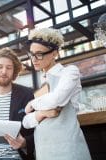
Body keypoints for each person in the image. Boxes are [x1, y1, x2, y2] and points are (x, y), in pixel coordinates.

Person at [0, 47, 59, 160]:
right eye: (0, 67)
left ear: (14, 70)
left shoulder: (28, 94)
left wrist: (25, 142)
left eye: (9, 67)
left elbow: (41, 129)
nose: (4, 71)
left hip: (17, 156)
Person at [22, 28, 92, 160]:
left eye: (39, 54)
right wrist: (42, 113)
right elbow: (26, 121)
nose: (34, 59)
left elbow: (58, 99)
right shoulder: (41, 84)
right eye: (31, 54)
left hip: (67, 149)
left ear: (54, 53)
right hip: (43, 150)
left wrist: (32, 103)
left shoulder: (69, 72)